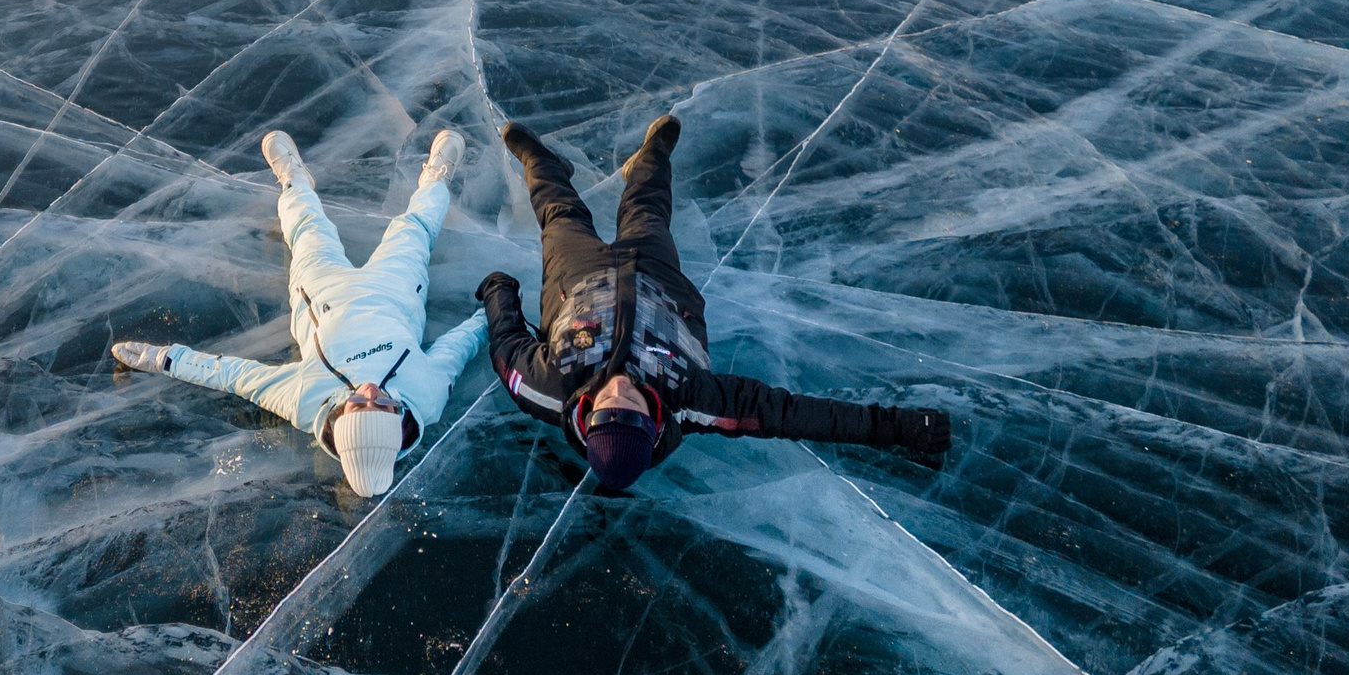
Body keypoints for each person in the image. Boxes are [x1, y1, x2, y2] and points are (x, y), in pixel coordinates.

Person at [480, 115, 951, 492]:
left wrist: (499, 289)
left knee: (559, 213)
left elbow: (507, 345)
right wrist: (901, 428)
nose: (621, 397)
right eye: (634, 414)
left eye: (607, 415)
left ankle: (543, 163)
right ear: (654, 425)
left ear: (588, 420)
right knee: (646, 210)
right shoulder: (691, 399)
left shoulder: (548, 387)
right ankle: (650, 160)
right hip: (660, 285)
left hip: (576, 284)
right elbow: (790, 415)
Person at [113, 127, 486, 496]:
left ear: (341, 417)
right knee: (415, 230)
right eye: (385, 404)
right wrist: (497, 317)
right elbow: (460, 346)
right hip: (396, 290)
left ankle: (293, 177)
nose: (370, 391)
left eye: (357, 403)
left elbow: (233, 376)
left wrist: (164, 359)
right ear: (399, 417)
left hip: (322, 290)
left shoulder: (305, 401)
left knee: (308, 231)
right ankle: (436, 175)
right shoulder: (427, 395)